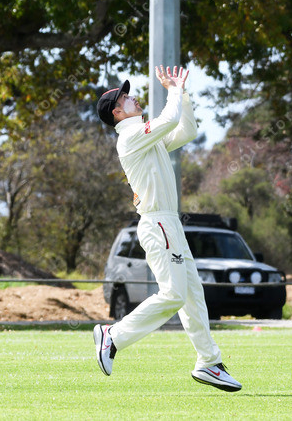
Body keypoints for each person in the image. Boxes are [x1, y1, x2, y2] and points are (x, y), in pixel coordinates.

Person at [93, 65, 242, 392]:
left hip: (168, 223)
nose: (133, 98)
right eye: (126, 97)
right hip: (157, 223)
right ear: (117, 112)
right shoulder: (131, 136)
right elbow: (171, 120)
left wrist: (182, 93)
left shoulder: (146, 135)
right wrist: (173, 90)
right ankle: (113, 335)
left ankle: (209, 362)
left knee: (192, 296)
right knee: (174, 294)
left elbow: (186, 129)